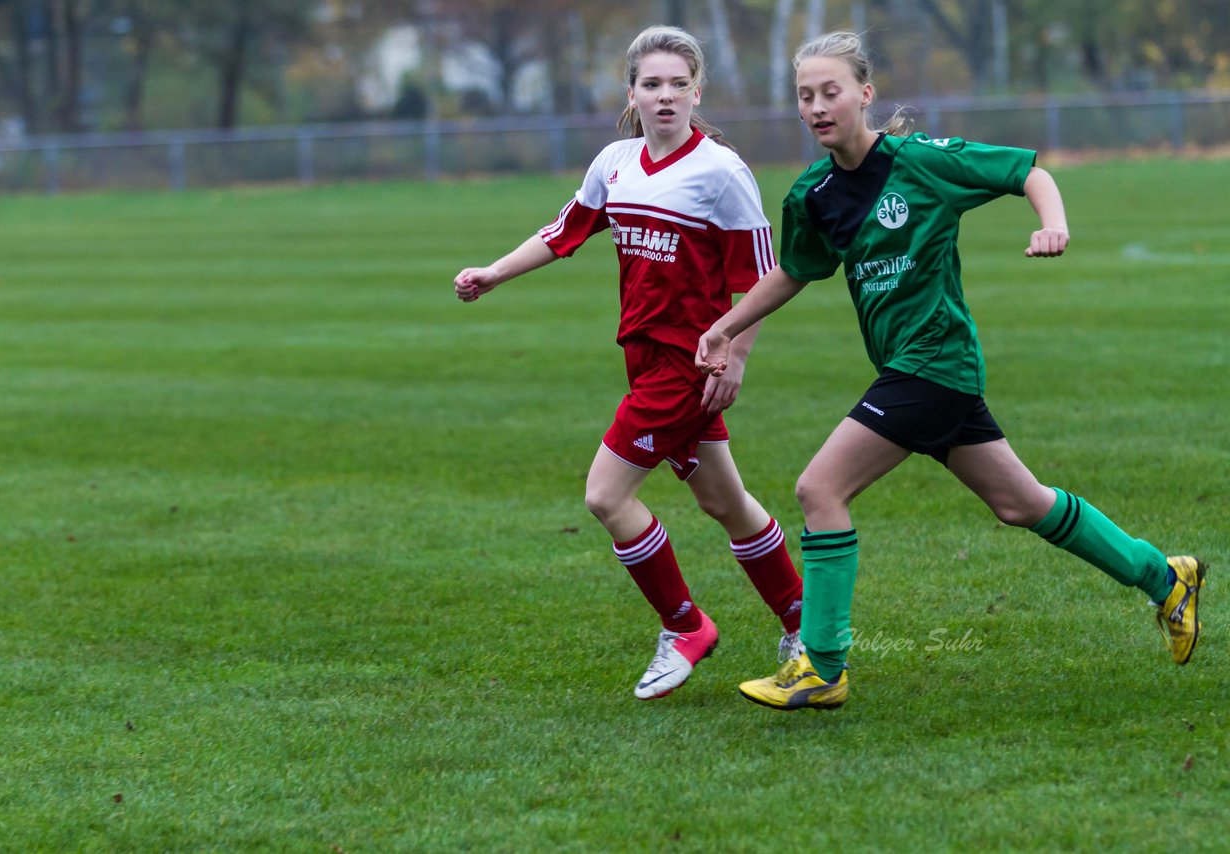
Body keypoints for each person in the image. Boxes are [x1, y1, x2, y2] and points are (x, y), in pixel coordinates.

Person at [695, 31, 1208, 712]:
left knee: (819, 488)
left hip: (933, 364)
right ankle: (1165, 576)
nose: (817, 106)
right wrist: (727, 327)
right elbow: (795, 270)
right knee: (1021, 502)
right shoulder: (814, 194)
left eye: (831, 92)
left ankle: (822, 667)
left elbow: (1028, 172)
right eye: (805, 96)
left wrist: (1052, 223)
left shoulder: (923, 163)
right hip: (924, 372)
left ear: (864, 95)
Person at [453, 25, 803, 701]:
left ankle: (686, 625)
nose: (666, 95)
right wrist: (494, 273)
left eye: (679, 84)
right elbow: (564, 233)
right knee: (723, 500)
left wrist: (733, 356)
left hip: (687, 365)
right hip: (643, 360)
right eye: (653, 84)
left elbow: (763, 279)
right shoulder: (613, 162)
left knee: (606, 495)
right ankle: (803, 622)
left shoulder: (722, 172)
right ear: (632, 93)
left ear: (697, 91)